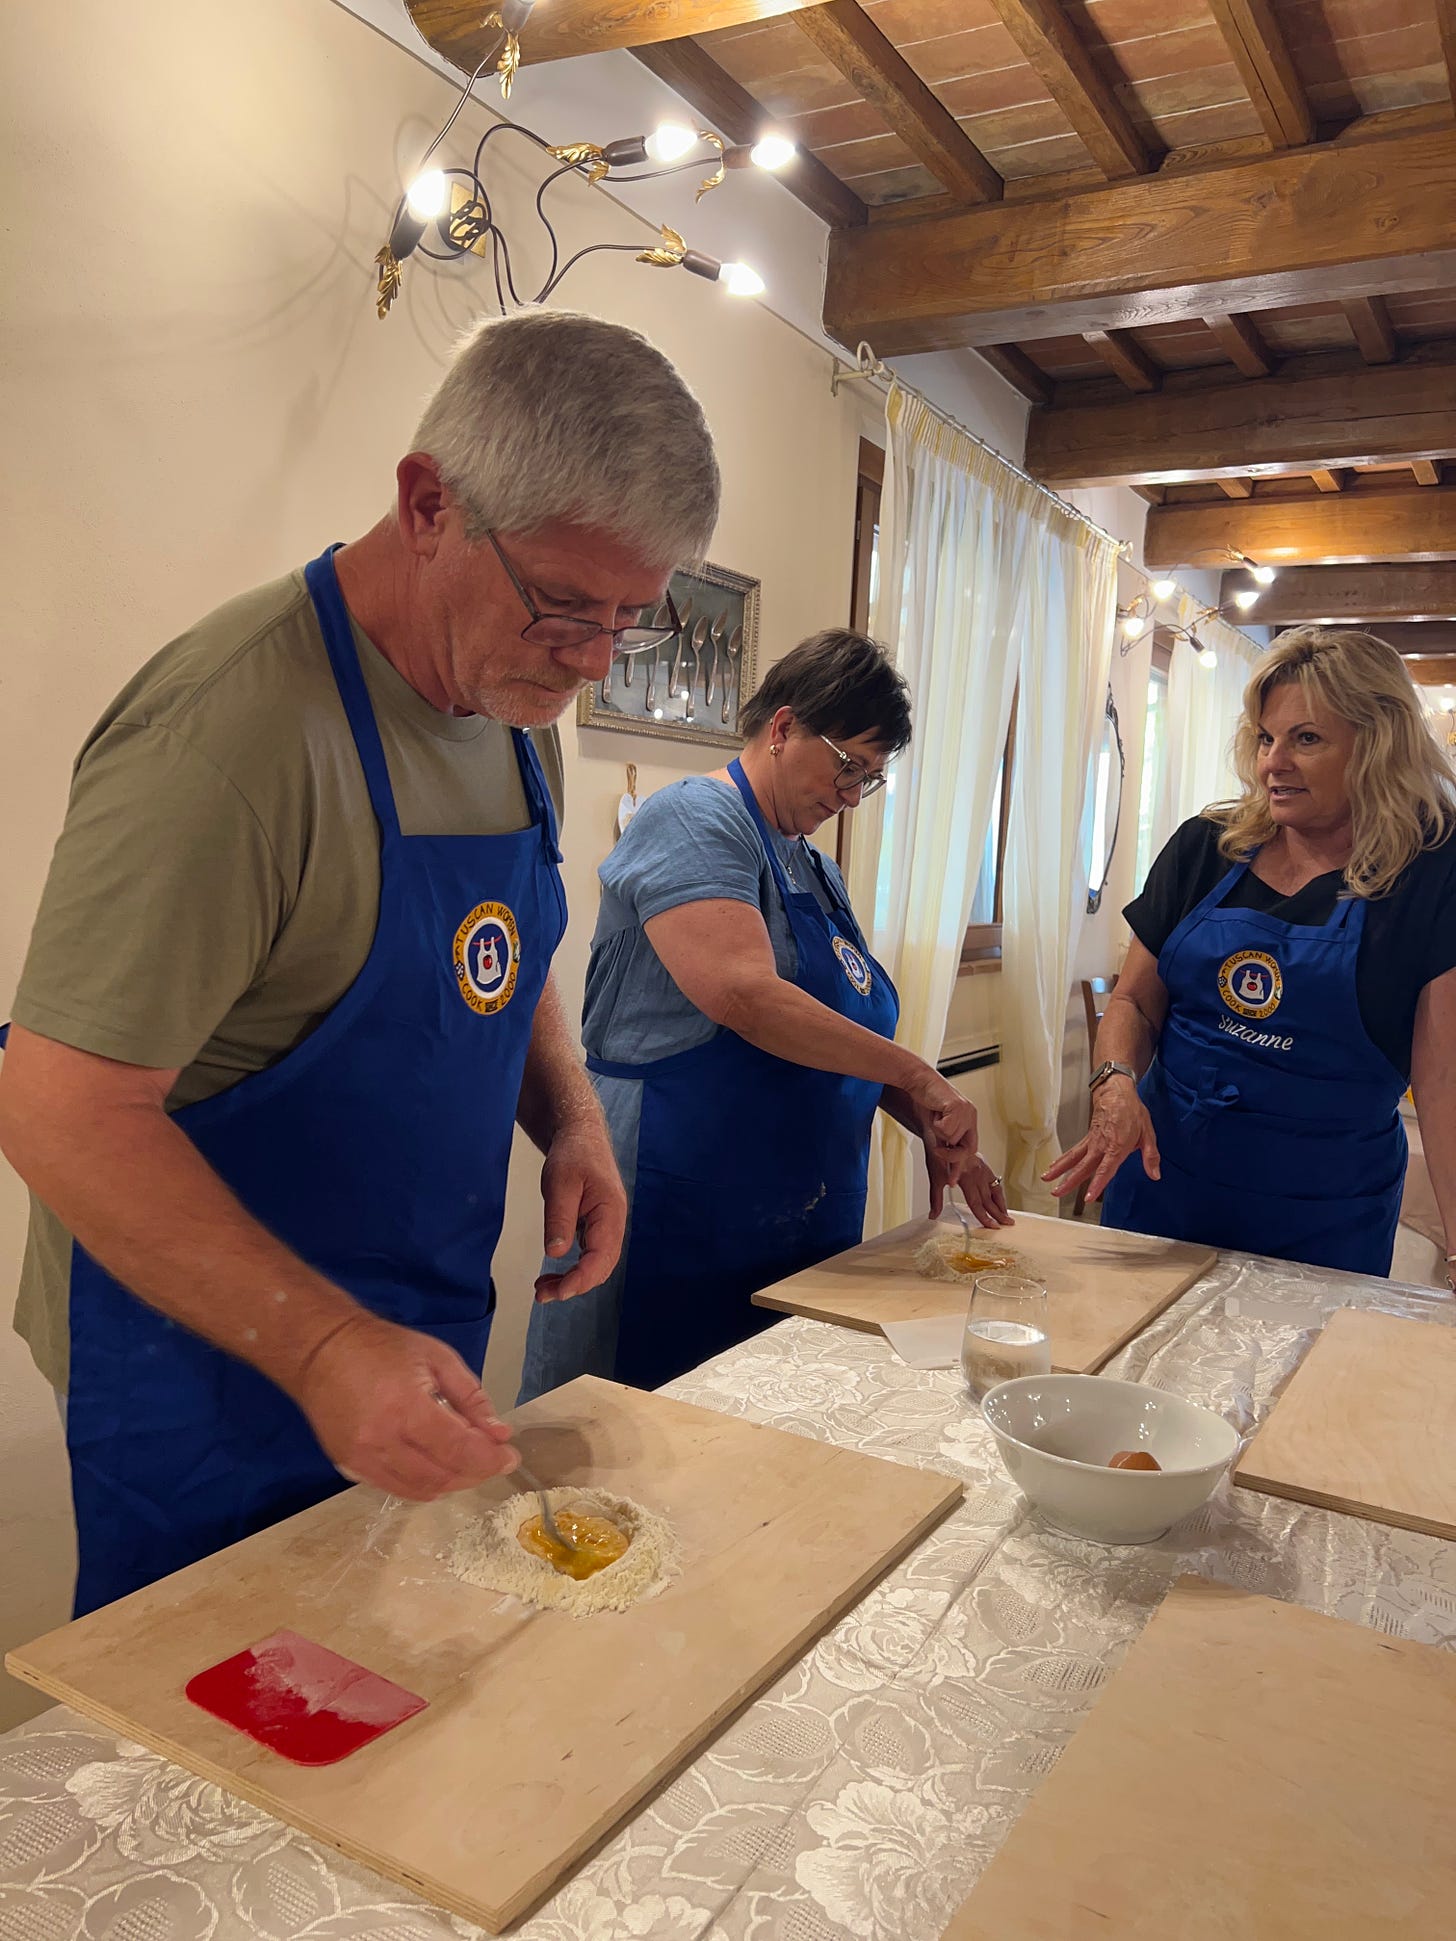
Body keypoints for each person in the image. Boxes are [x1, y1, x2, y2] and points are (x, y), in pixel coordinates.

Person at [0, 308, 721, 1614]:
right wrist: (323, 1343)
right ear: (428, 501)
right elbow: (54, 1106)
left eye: (633, 620)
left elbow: (498, 959)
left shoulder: (511, 713)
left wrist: (569, 1121)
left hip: (407, 1326)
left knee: (392, 1718)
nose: (591, 659)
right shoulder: (233, 738)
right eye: (564, 606)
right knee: (209, 1754)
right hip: (203, 1371)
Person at [520, 629, 1009, 1399]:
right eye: (848, 765)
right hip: (675, 1207)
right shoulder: (694, 819)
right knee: (640, 1445)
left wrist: (926, 1116)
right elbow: (743, 996)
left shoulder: (814, 866)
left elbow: (841, 1036)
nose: (850, 795)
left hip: (793, 1221)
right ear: (783, 728)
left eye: (870, 780)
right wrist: (920, 1072)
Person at [1045, 627, 1456, 1281]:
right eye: (1267, 737)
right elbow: (1133, 1000)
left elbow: (1441, 1083)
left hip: (1323, 1219)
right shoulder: (1207, 846)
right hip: (1165, 1193)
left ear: (1377, 745)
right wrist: (1115, 1085)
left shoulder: (1431, 873)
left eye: (1307, 739)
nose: (1273, 763)